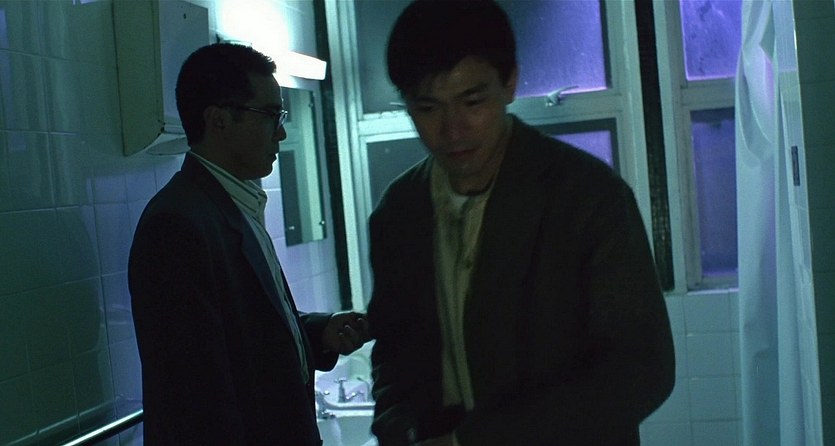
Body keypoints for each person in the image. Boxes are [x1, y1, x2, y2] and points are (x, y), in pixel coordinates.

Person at [366, 1, 675, 445]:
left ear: (509, 82)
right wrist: (401, 429)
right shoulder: (399, 212)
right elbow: (393, 354)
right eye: (428, 108)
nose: (453, 130)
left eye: (473, 101)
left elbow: (642, 368)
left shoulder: (586, 196)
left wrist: (476, 439)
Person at [128, 43, 370, 445]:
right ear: (219, 120)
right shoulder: (177, 225)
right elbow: (196, 398)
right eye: (270, 115)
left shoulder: (233, 205)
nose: (281, 132)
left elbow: (246, 338)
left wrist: (317, 332)